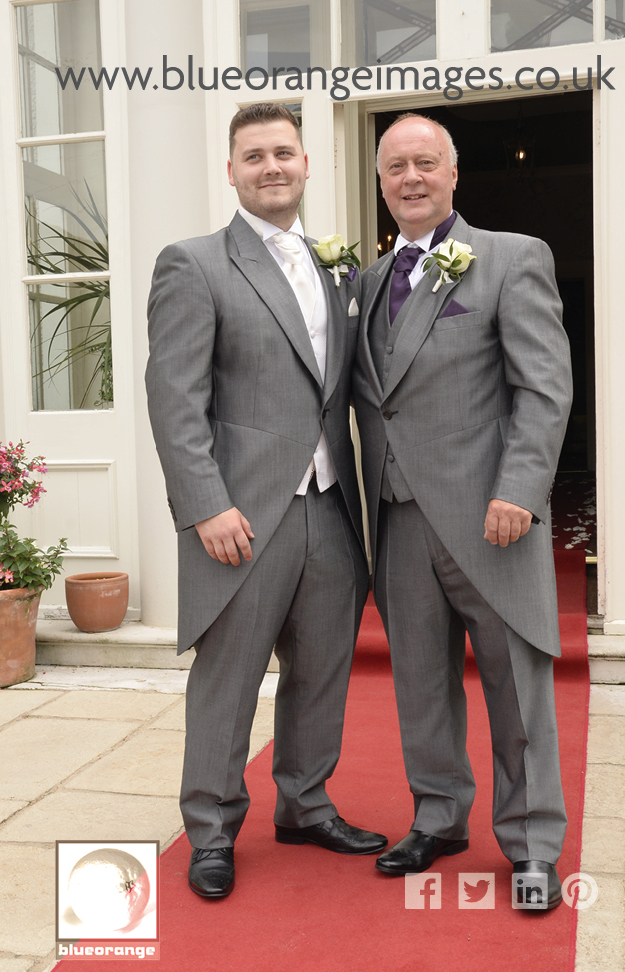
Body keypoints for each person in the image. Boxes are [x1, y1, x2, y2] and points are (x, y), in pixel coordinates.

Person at [146, 103, 386, 900]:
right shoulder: (194, 263)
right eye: (255, 156)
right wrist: (205, 504)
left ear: (308, 162)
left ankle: (306, 805)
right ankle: (211, 829)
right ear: (232, 171)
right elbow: (175, 400)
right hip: (241, 515)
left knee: (320, 672)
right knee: (229, 679)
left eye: (284, 152)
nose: (272, 166)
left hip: (330, 504)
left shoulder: (340, 267)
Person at [352, 113, 573, 909]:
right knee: (418, 682)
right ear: (381, 183)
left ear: (452, 174)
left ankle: (532, 845)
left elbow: (544, 387)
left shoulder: (511, 258)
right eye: (395, 167)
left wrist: (521, 486)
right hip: (399, 517)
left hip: (491, 516)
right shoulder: (368, 282)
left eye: (425, 164)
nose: (410, 178)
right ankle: (439, 816)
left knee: (517, 689)